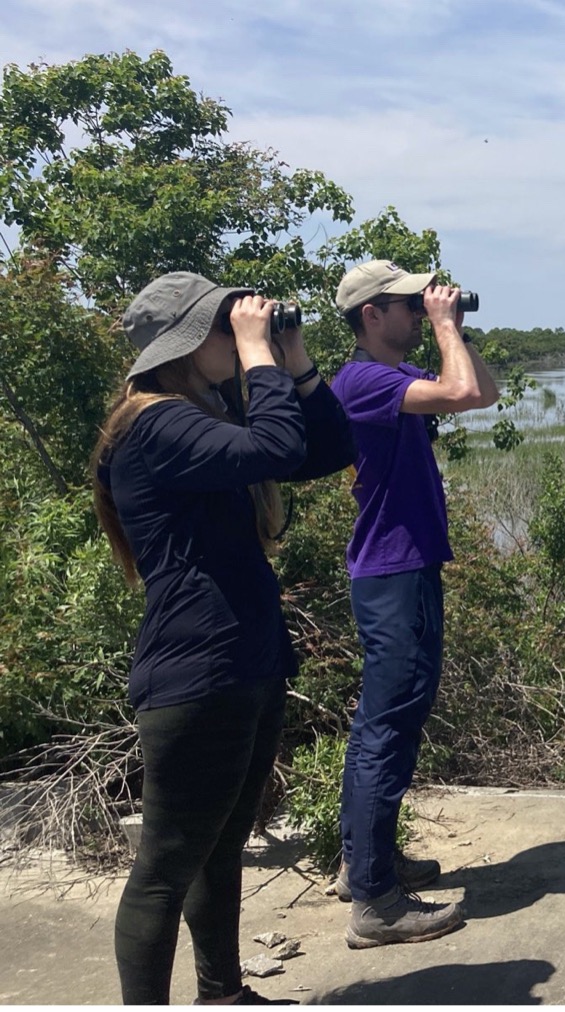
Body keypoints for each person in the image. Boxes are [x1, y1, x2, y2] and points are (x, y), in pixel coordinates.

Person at [94, 272, 355, 1004]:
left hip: (244, 659)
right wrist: (257, 353)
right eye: (223, 326)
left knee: (219, 849)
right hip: (198, 671)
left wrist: (293, 358)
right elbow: (272, 448)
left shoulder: (203, 414)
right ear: (184, 341)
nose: (241, 334)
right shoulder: (152, 423)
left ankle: (223, 993)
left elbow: (326, 447)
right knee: (166, 867)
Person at [329, 260, 498, 948]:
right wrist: (444, 325)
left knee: (391, 721)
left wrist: (451, 327)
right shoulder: (363, 379)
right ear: (373, 314)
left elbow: (478, 392)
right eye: (407, 303)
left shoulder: (391, 378)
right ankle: (374, 902)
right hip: (391, 573)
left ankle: (364, 865)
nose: (418, 309)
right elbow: (460, 389)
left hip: (406, 568)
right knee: (386, 727)